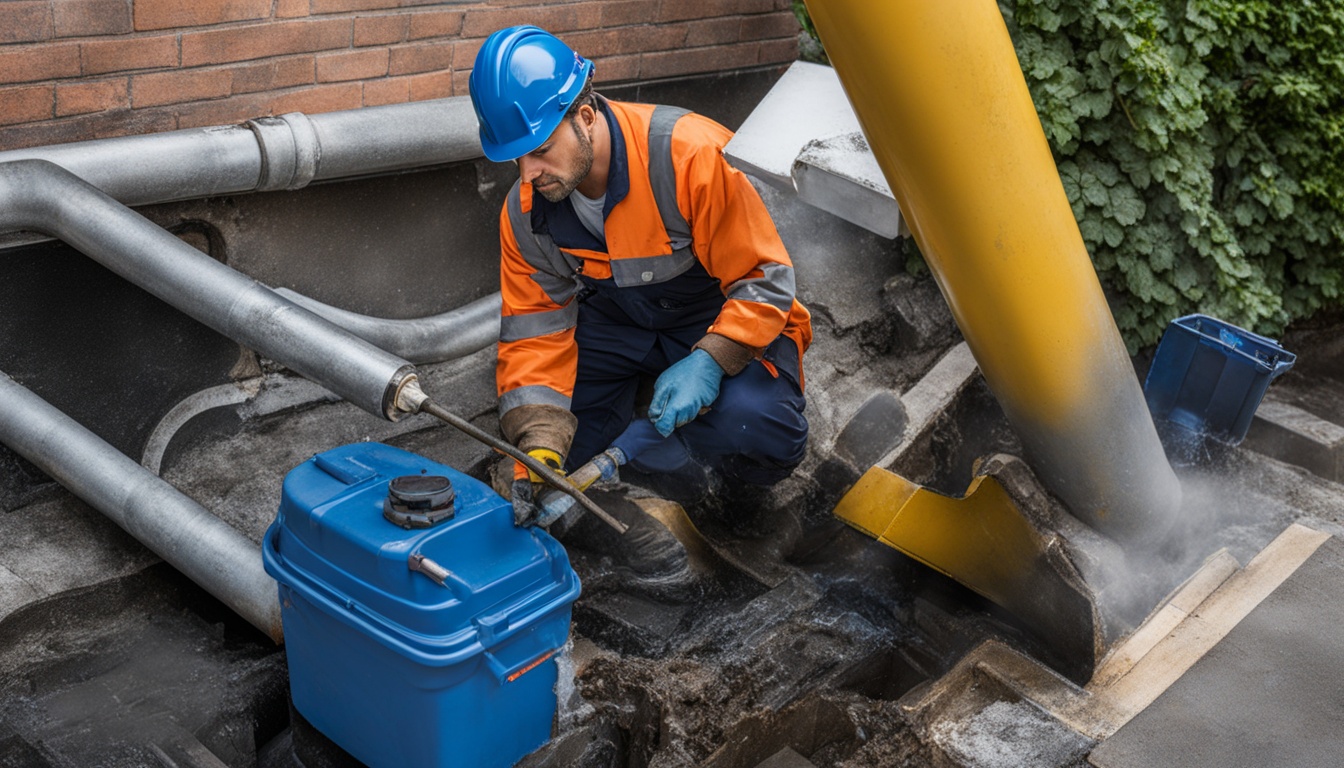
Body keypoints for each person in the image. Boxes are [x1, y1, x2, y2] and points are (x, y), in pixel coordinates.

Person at [469, 25, 811, 531]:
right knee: (562, 452)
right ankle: (677, 480)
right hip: (617, 325)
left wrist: (713, 361)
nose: (527, 173)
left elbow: (764, 280)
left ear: (584, 118)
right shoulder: (525, 211)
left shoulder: (688, 156)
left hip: (712, 315)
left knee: (755, 426)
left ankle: (739, 501)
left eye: (539, 149)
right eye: (515, 157)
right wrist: (538, 444)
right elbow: (535, 333)